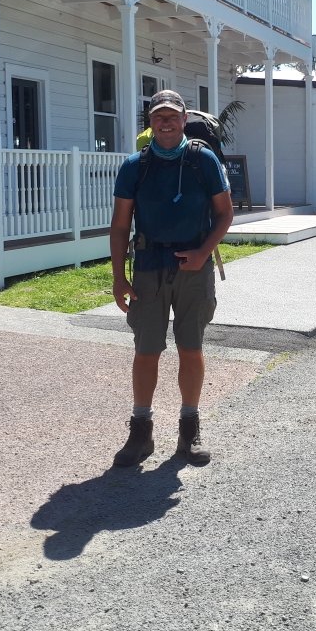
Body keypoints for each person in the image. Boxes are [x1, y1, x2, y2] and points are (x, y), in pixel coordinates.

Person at [108, 89, 234, 467]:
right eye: (158, 116)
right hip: (148, 267)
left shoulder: (203, 160)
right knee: (146, 351)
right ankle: (141, 431)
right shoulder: (134, 166)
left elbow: (224, 214)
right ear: (150, 122)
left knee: (190, 348)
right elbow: (120, 225)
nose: (166, 122)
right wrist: (118, 276)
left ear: (184, 120)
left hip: (194, 267)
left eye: (172, 116)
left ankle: (188, 429)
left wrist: (202, 253)